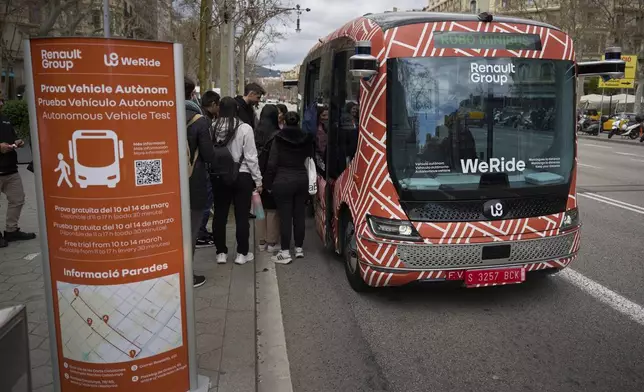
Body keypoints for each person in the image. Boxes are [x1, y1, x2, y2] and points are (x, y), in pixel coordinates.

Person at [211, 97, 262, 265]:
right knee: (241, 215)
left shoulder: (213, 127)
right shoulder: (245, 128)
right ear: (237, 110)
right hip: (242, 176)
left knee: (220, 214)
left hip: (219, 176)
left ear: (219, 110)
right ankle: (242, 254)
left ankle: (221, 253)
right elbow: (251, 157)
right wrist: (258, 180)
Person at [264, 111, 314, 264]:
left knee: (285, 217)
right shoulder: (306, 138)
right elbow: (309, 157)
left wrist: (268, 183)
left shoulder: (278, 139)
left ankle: (285, 251)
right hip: (301, 179)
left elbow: (272, 163)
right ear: (298, 122)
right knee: (299, 215)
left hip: (283, 179)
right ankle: (299, 248)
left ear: (284, 121)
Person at [185, 77, 214, 288]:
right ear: (192, 93)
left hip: (165, 183)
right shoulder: (198, 120)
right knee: (191, 230)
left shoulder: (158, 113)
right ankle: (187, 275)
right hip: (192, 182)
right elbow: (208, 154)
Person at [0, 114, 36, 248]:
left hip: (10, 169)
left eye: (2, 100)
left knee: (18, 199)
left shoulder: (5, 120)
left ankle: (11, 230)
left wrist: (18, 142)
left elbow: (12, 137)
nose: (1, 103)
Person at [195, 90, 221, 248]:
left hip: (197, 167)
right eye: (217, 106)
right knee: (206, 202)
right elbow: (208, 150)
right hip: (202, 169)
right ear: (212, 105)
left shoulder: (199, 116)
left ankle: (200, 232)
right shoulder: (204, 121)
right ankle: (200, 234)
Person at [254, 104, 281, 252]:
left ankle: (261, 241)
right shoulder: (276, 135)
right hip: (270, 176)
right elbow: (273, 161)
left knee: (259, 209)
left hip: (256, 175)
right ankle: (271, 242)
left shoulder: (255, 132)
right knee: (272, 210)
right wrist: (269, 182)